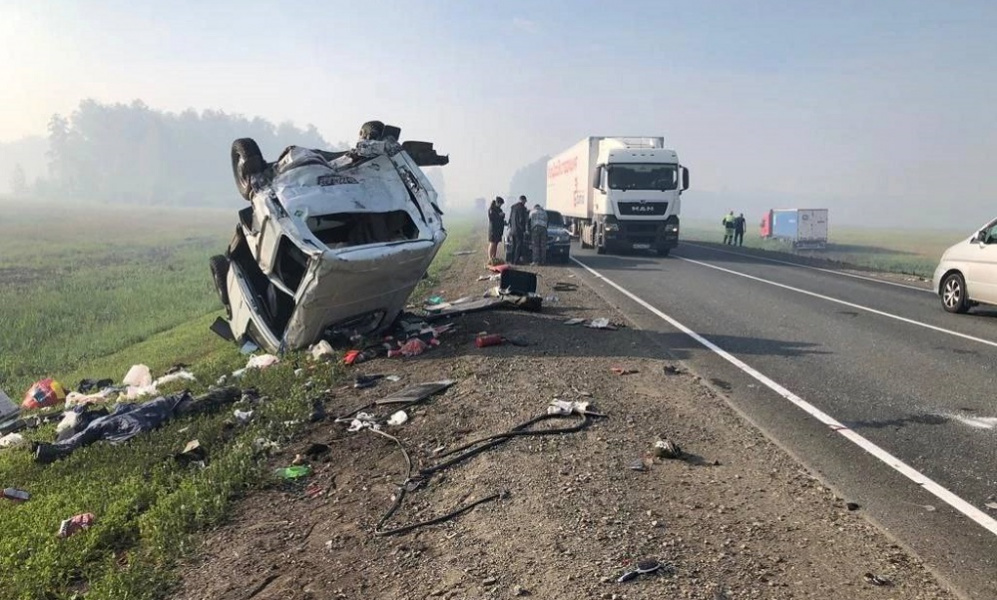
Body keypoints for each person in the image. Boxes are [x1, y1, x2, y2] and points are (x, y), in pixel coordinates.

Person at [509, 195, 530, 264]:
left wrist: (511, 227)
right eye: (525, 201)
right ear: (523, 200)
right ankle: (516, 260)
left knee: (513, 245)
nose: (525, 203)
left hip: (513, 229)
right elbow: (521, 219)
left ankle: (512, 260)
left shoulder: (513, 207)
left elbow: (510, 219)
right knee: (519, 245)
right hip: (519, 230)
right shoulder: (522, 208)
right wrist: (524, 229)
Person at [487, 197, 505, 264]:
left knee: (496, 244)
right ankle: (490, 259)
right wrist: (499, 215)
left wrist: (502, 216)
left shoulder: (499, 209)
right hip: (493, 229)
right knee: (492, 243)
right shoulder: (491, 209)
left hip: (498, 230)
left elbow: (501, 219)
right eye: (500, 204)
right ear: (497, 203)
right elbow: (492, 218)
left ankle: (494, 257)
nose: (501, 205)